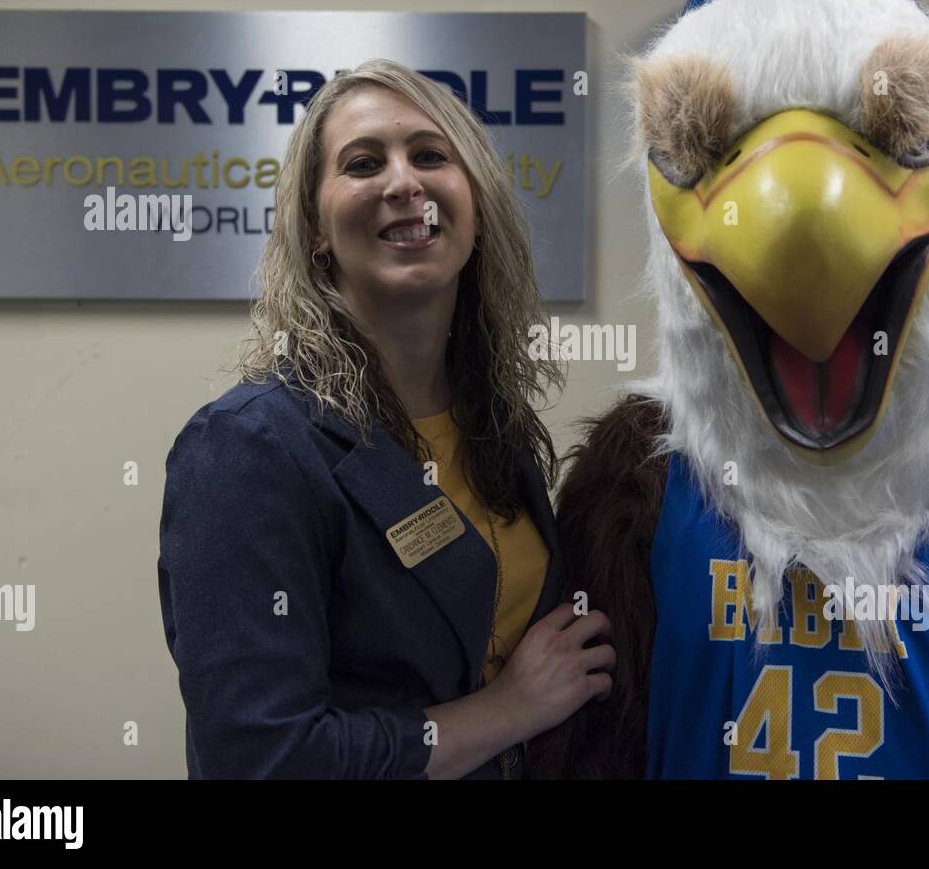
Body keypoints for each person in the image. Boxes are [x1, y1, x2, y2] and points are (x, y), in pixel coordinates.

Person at [157, 59, 614, 779]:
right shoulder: (247, 448)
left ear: (476, 203)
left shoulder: (500, 430)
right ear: (314, 227)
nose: (404, 183)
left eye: (431, 155)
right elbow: (261, 757)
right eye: (364, 163)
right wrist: (508, 710)